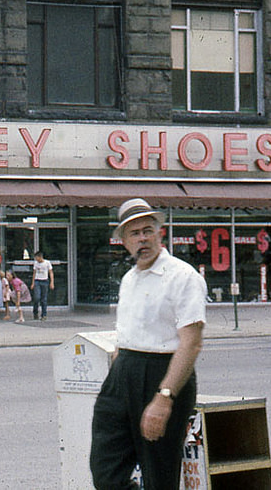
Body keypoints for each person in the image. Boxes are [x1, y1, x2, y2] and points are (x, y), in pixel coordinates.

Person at [90, 198, 207, 490]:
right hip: (123, 374)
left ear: (160, 234)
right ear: (124, 242)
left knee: (158, 475)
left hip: (163, 374)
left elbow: (191, 344)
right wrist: (120, 372)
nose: (142, 238)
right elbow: (128, 333)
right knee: (105, 470)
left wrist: (164, 397)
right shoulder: (130, 279)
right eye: (134, 233)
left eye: (147, 230)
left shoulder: (183, 277)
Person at [31, 251, 55, 321]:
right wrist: (33, 283)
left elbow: (51, 272)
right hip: (37, 281)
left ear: (40, 257)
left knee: (44, 299)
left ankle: (44, 314)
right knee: (37, 297)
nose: (36, 259)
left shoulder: (47, 263)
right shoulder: (36, 263)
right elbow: (34, 273)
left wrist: (52, 282)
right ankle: (35, 312)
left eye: (37, 258)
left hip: (45, 281)